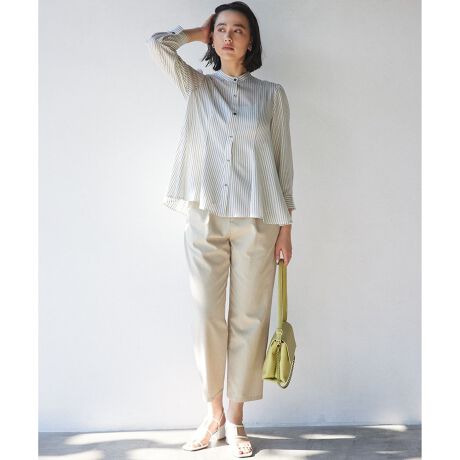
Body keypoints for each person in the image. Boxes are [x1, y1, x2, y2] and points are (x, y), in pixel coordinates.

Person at [145, 2, 295, 457]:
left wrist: (286, 227)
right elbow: (158, 46)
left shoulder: (272, 95)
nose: (229, 37)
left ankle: (236, 419)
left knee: (249, 319)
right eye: (222, 29)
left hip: (258, 219)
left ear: (252, 41)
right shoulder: (197, 86)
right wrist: (197, 32)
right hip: (205, 216)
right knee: (207, 316)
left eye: (238, 30)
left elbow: (283, 164)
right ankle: (212, 414)